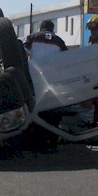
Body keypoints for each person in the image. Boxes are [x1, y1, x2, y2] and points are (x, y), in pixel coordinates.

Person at [23, 20, 68, 153]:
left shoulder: (33, 37)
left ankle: (37, 140)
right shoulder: (59, 41)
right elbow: (66, 59)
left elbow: (24, 55)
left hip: (36, 78)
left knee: (37, 109)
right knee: (53, 111)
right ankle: (52, 141)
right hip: (54, 80)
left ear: (40, 28)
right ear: (52, 29)